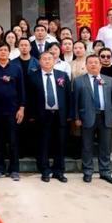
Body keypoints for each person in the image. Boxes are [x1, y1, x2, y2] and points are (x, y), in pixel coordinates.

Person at [73, 54, 112, 184]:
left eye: (96, 62)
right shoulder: (79, 81)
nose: (93, 64)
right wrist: (76, 117)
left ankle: (105, 172)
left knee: (105, 146)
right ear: (86, 65)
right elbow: (75, 101)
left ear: (100, 65)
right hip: (86, 117)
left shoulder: (109, 80)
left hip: (106, 117)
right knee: (87, 146)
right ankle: (88, 171)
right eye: (90, 62)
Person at [27, 51, 72, 183]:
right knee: (43, 143)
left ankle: (59, 171)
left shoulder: (62, 75)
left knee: (60, 143)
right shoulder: (33, 77)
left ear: (54, 61)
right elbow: (30, 98)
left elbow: (69, 95)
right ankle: (45, 170)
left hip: (60, 114)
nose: (47, 61)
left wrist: (70, 114)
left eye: (49, 59)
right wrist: (32, 115)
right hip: (42, 115)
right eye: (44, 59)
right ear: (39, 61)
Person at [0, 42, 25, 181]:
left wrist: (22, 107)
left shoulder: (16, 68)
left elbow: (21, 89)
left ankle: (14, 170)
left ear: (9, 52)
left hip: (13, 110)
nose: (3, 52)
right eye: (0, 50)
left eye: (5, 50)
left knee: (13, 141)